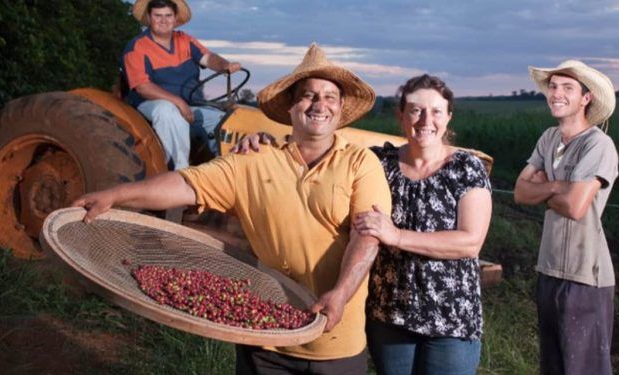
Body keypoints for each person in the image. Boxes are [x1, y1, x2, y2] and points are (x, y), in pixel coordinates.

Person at [74, 43, 391, 374]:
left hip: (336, 343)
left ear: (340, 109)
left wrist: (340, 294)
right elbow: (185, 184)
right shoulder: (253, 161)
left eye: (329, 97)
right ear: (291, 106)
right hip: (266, 336)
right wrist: (115, 195)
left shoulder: (361, 162)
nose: (319, 104)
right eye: (308, 95)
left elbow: (367, 236)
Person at [233, 74, 493, 375]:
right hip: (389, 313)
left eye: (436, 111)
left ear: (448, 117)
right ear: (401, 115)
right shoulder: (379, 163)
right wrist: (265, 142)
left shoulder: (466, 167)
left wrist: (395, 236)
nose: (425, 120)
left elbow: (470, 242)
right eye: (415, 110)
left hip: (450, 317)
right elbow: (320, 147)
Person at [513, 60, 619, 375]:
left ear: (586, 98)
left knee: (584, 368)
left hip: (585, 275)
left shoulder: (598, 144)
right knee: (553, 365)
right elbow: (519, 192)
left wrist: (543, 189)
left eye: (567, 87)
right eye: (554, 86)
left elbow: (575, 207)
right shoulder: (549, 138)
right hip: (549, 266)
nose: (556, 93)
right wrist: (559, 186)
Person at [123, 0, 241, 170]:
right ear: (149, 18)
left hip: (189, 104)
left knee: (226, 121)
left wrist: (225, 65)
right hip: (150, 105)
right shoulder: (137, 47)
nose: (163, 20)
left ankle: (227, 171)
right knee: (167, 110)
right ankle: (180, 172)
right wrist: (178, 103)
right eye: (158, 15)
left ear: (175, 18)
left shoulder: (184, 40)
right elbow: (143, 87)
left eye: (168, 15)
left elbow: (208, 58)